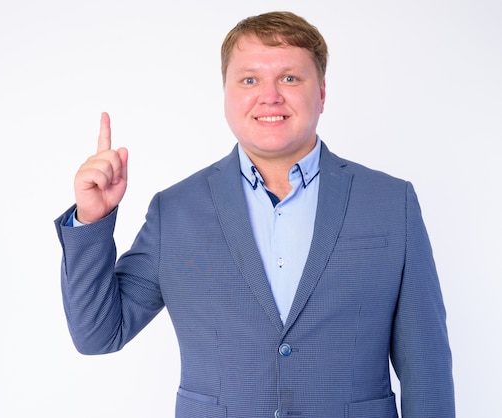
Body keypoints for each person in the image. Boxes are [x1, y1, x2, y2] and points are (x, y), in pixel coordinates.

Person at [54, 11, 455, 417]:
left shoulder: (391, 202)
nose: (270, 96)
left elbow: (428, 369)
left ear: (321, 94)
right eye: (249, 80)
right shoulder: (174, 211)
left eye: (290, 78)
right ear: (226, 95)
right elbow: (98, 334)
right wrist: (92, 221)